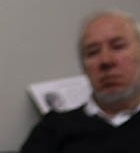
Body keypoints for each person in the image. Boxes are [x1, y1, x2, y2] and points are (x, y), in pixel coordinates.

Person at [19, 9, 140, 152]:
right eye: (92, 52)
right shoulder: (53, 129)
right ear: (84, 68)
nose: (106, 61)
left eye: (118, 46)